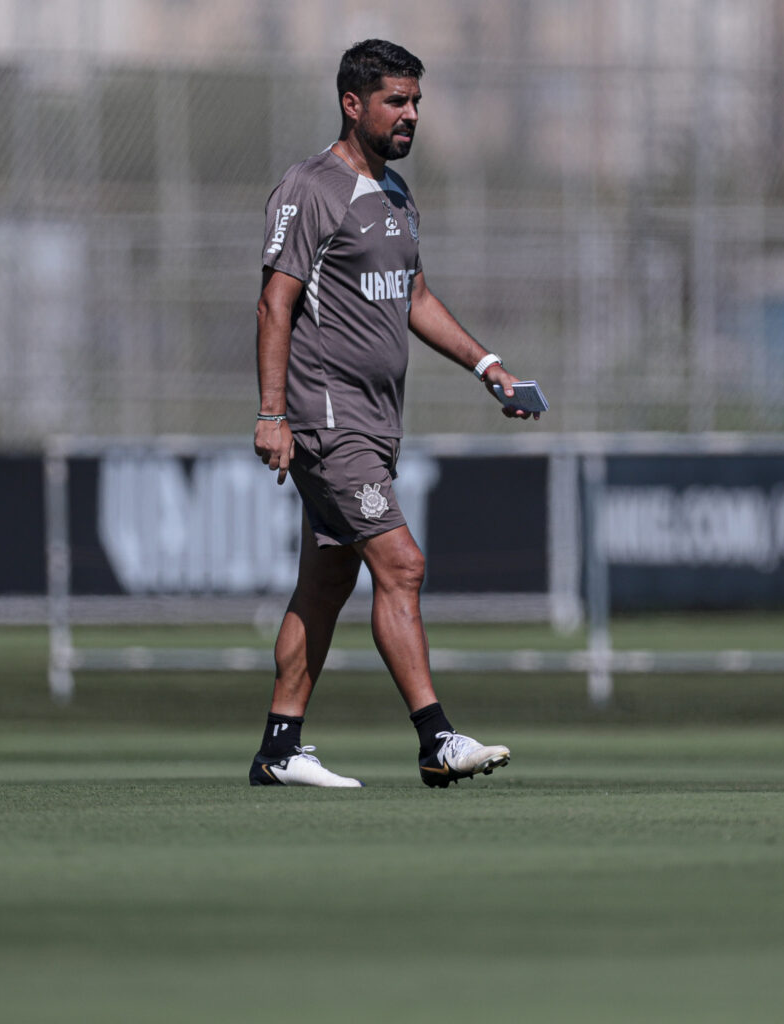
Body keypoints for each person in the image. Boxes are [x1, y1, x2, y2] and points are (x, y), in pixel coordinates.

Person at [249, 39, 539, 789]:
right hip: (326, 419)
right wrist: (272, 413)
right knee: (401, 564)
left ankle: (281, 748)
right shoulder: (311, 187)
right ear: (353, 105)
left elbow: (411, 297)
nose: (411, 115)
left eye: (415, 101)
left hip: (375, 425)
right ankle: (434, 738)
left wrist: (488, 366)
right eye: (395, 102)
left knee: (326, 582)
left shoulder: (399, 193)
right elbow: (274, 301)